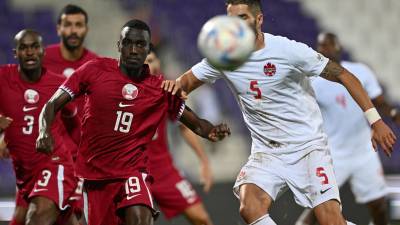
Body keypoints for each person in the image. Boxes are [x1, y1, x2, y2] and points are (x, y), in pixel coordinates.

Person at [166, 1, 397, 224]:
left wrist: (375, 121)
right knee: (250, 207)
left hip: (308, 148)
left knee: (331, 222)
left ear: (259, 19)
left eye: (243, 18)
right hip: (267, 153)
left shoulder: (288, 50)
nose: (236, 26)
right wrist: (190, 110)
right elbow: (180, 87)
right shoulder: (223, 58)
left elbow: (343, 75)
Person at [36, 19, 231, 225]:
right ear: (119, 45)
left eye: (140, 45)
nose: (134, 50)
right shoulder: (93, 70)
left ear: (148, 49)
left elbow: (197, 124)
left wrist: (212, 131)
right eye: (128, 43)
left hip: (132, 173)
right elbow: (52, 104)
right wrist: (43, 131)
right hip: (95, 178)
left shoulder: (160, 90)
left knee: (140, 217)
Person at [296, 32, 400, 225]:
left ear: (339, 47)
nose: (324, 49)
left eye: (328, 45)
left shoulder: (360, 71)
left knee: (378, 205)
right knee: (318, 209)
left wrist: (393, 114)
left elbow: (379, 102)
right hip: (333, 153)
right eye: (321, 46)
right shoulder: (312, 81)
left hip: (364, 150)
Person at [0, 29, 80, 225]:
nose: (29, 52)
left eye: (35, 47)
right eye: (23, 48)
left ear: (43, 51)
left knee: (36, 218)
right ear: (15, 53)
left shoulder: (60, 85)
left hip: (55, 165)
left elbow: (75, 124)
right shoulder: (3, 78)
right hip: (25, 175)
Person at [145, 46, 214, 225]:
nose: (147, 66)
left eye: (151, 61)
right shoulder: (123, 91)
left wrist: (204, 161)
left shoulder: (166, 91)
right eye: (143, 63)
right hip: (132, 171)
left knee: (202, 218)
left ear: (159, 63)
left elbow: (184, 126)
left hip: (163, 170)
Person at [43, 4, 98, 157]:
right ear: (58, 28)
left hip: (83, 156)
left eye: (78, 25)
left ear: (86, 29)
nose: (73, 30)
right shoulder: (41, 60)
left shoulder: (96, 65)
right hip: (47, 153)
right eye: (67, 25)